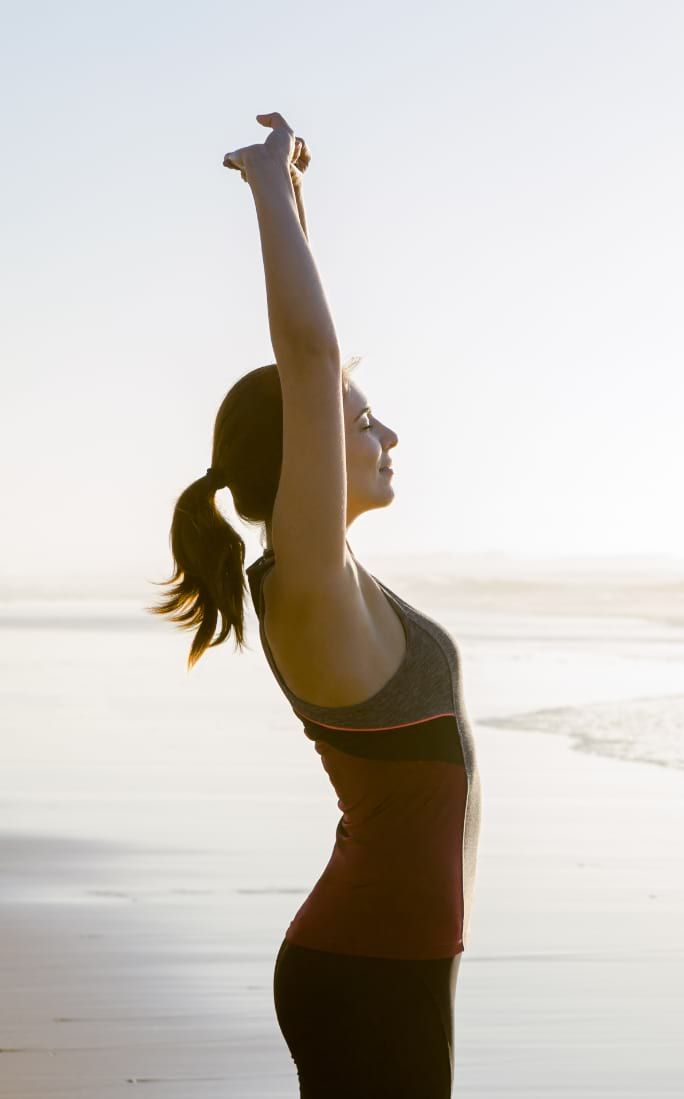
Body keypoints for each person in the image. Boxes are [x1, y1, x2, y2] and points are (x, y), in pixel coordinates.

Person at [147, 112, 480, 1098]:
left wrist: (294, 190)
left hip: (399, 962)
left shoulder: (332, 574)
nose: (387, 434)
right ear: (301, 459)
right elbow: (306, 352)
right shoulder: (307, 583)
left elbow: (314, 369)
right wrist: (263, 188)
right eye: (360, 421)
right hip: (366, 967)